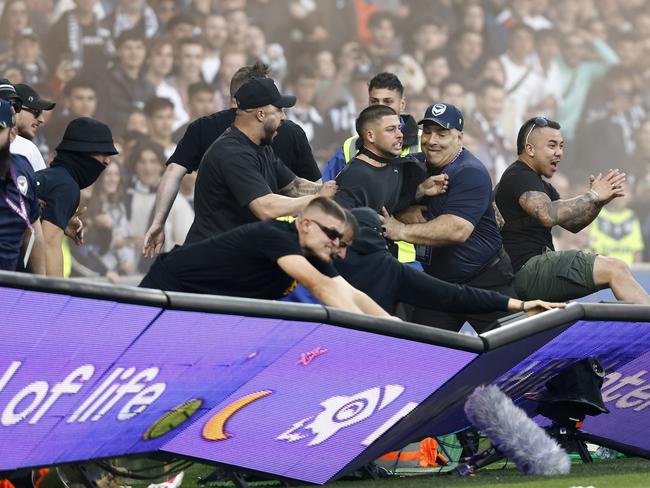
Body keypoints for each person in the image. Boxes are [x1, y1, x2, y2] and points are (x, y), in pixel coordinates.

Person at [142, 62, 321, 257]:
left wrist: (158, 222)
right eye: (276, 107)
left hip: (251, 246)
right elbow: (267, 206)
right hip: (224, 249)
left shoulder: (258, 141)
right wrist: (321, 201)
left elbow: (173, 173)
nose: (283, 117)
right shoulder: (236, 145)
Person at [381, 102, 516, 333]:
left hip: (484, 280)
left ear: (459, 137)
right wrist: (411, 202)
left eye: (442, 133)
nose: (432, 140)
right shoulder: (413, 165)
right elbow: (380, 204)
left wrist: (400, 229)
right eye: (428, 132)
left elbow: (456, 230)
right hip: (439, 285)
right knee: (425, 355)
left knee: (514, 351)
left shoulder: (469, 172)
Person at [139, 197, 392, 318]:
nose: (336, 245)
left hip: (204, 305)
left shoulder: (311, 252)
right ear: (306, 225)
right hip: (171, 284)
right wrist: (368, 330)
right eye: (333, 234)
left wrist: (390, 323)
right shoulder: (275, 235)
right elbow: (319, 286)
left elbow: (350, 293)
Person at [494, 116, 650, 304]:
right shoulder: (519, 175)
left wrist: (597, 203)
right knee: (616, 269)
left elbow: (573, 224)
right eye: (552, 146)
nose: (559, 152)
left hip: (527, 273)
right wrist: (591, 195)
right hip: (525, 270)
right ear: (530, 149)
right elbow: (547, 214)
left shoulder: (540, 185)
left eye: (561, 146)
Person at [183, 77, 336, 244]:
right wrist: (318, 199)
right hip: (210, 258)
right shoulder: (232, 153)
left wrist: (334, 191)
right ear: (261, 114)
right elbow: (265, 207)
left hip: (235, 252)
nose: (284, 117)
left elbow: (294, 186)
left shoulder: (261, 147)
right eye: (279, 110)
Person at [335, 207, 563, 319]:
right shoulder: (392, 271)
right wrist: (520, 305)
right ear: (381, 237)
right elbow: (455, 295)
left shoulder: (322, 261)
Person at [35, 117, 119, 277]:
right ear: (83, 151)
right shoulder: (66, 186)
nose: (107, 161)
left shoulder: (51, 178)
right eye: (103, 153)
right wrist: (55, 297)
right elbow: (48, 244)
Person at [334, 104, 446, 215]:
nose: (400, 135)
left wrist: (420, 191)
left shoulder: (394, 166)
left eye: (399, 128)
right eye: (391, 129)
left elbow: (388, 207)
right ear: (370, 136)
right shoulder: (355, 175)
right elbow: (340, 223)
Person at [322, 72, 421, 182]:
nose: (380, 107)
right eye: (374, 101)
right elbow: (327, 188)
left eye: (388, 101)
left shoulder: (424, 140)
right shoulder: (350, 146)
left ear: (402, 104)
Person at [0, 98, 44, 273]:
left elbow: (34, 232)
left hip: (9, 288)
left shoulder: (23, 168)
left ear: (12, 134)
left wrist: (43, 287)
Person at [11, 84, 55, 172]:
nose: (41, 119)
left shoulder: (29, 145)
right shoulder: (26, 148)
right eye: (35, 111)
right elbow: (41, 185)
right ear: (14, 108)